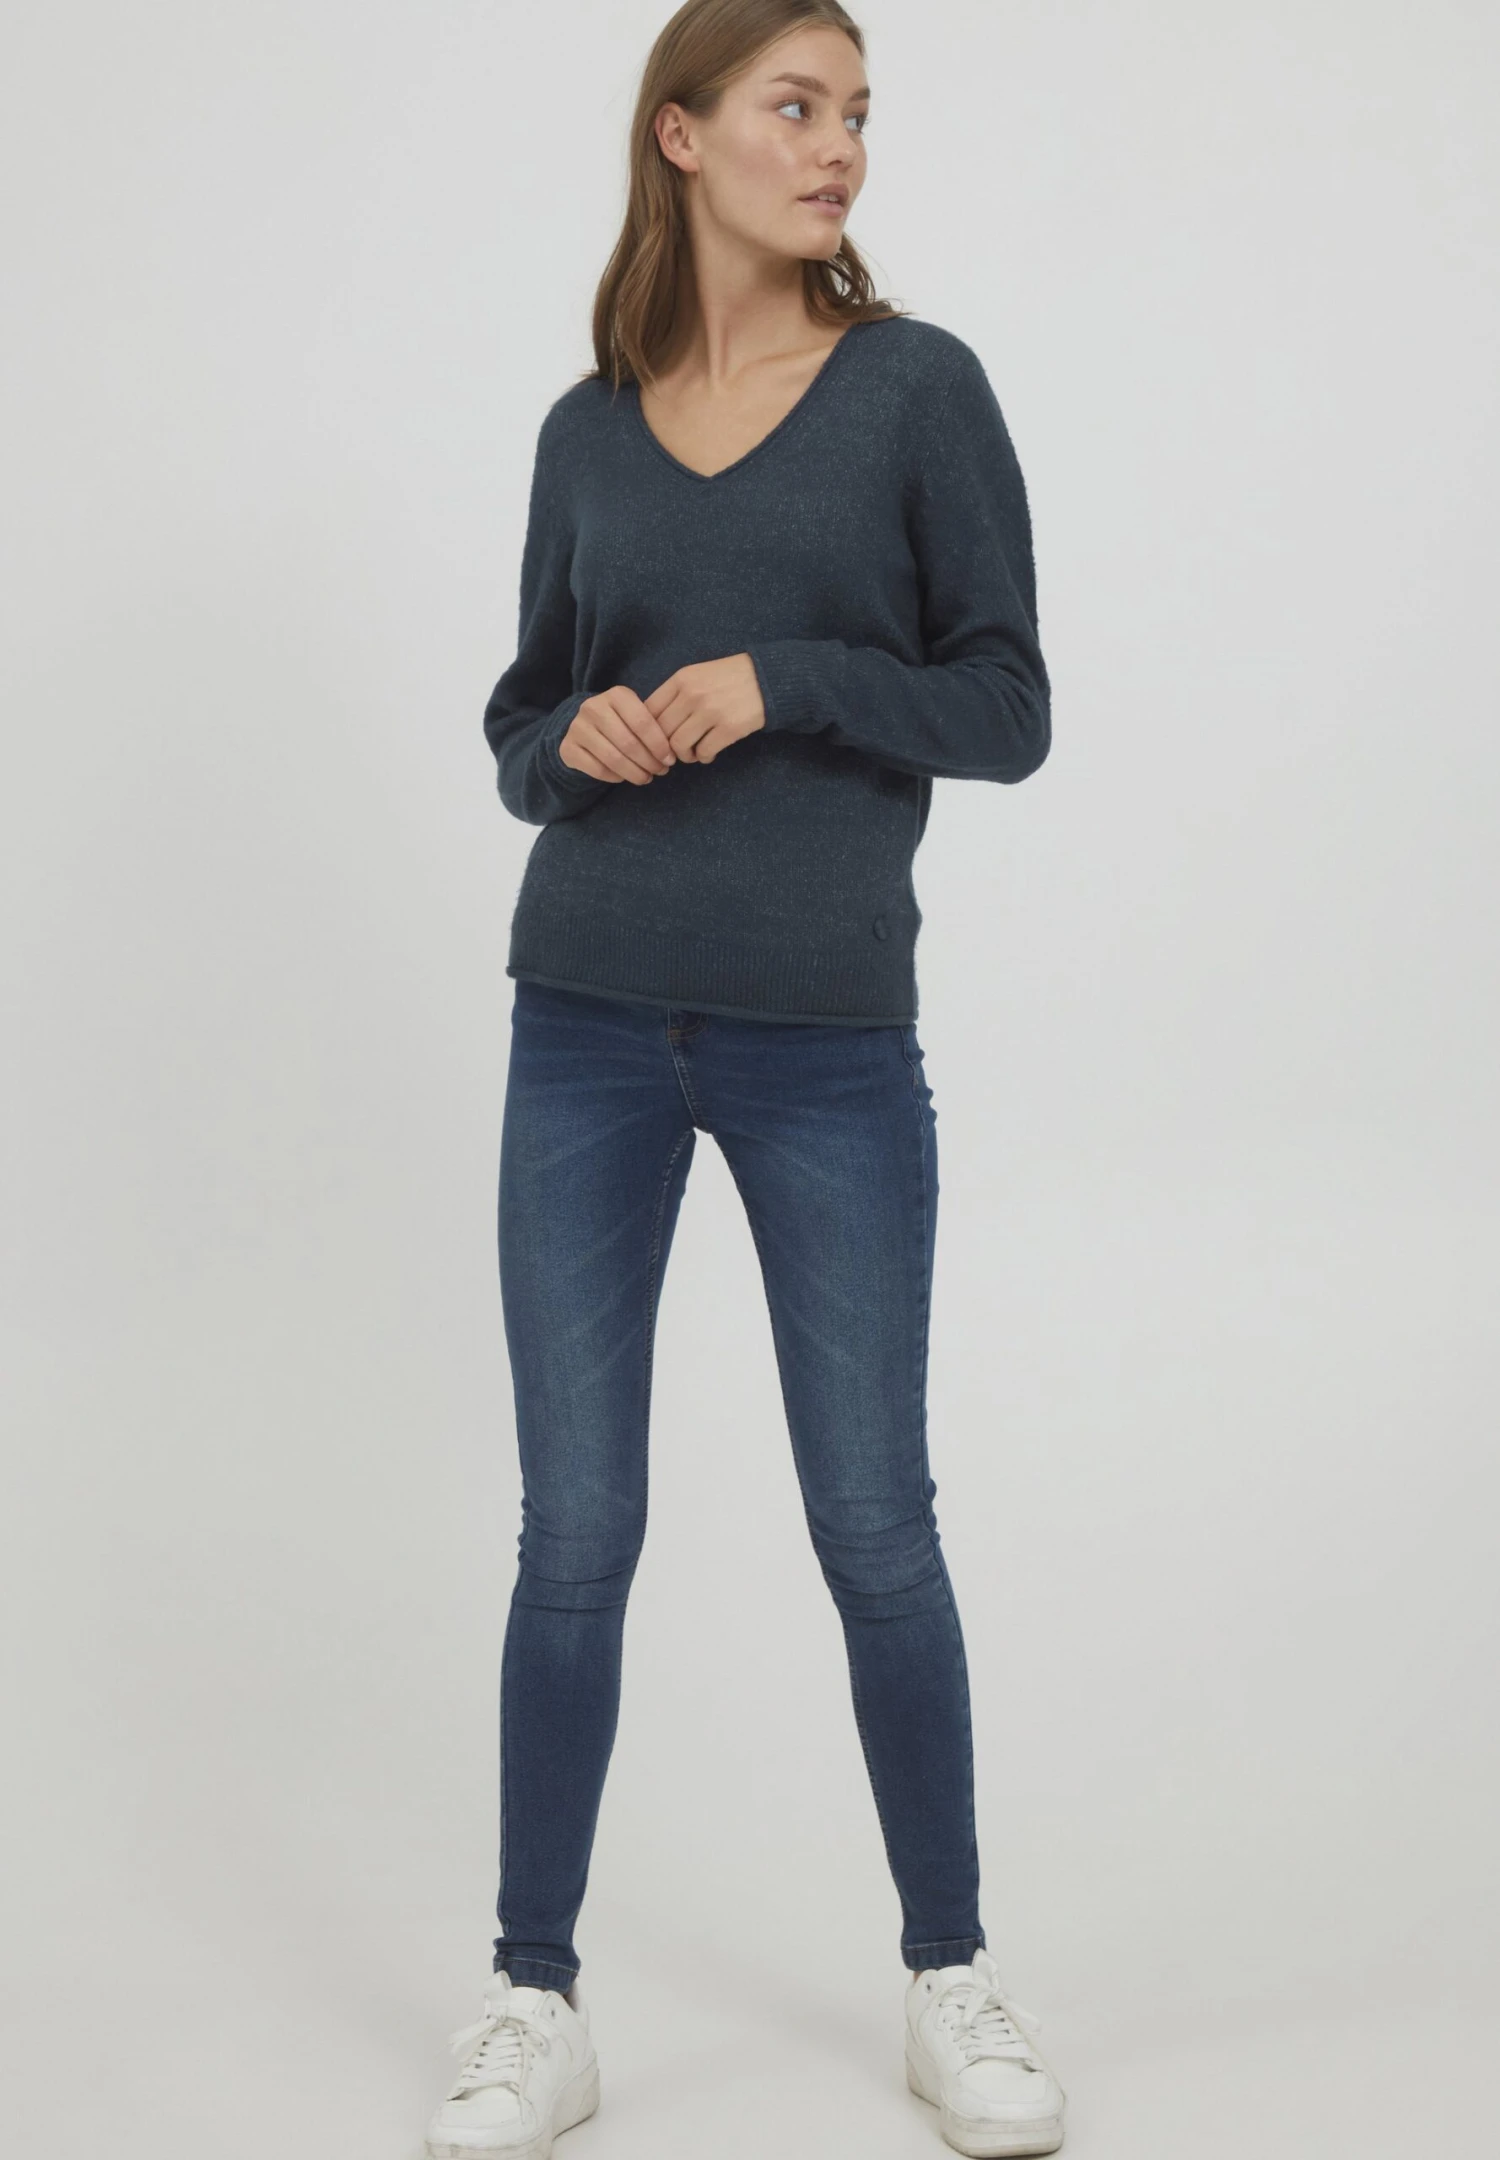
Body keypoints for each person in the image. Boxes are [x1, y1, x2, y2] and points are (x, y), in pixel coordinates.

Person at [423, 4, 1067, 2156]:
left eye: (859, 111)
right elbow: (518, 724)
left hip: (825, 1044)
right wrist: (575, 741)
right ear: (682, 136)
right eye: (797, 106)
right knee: (575, 1533)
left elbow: (1008, 706)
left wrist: (785, 678)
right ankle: (533, 1999)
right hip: (586, 1023)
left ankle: (950, 1975)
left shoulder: (917, 390)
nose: (841, 145)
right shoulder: (586, 430)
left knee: (874, 1522)